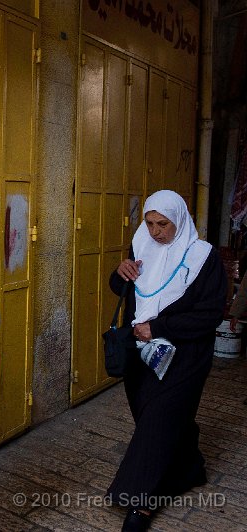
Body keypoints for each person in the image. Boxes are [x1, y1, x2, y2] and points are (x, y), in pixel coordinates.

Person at [108, 190, 226, 532]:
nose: (156, 231)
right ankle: (189, 467)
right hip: (140, 352)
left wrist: (157, 327)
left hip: (185, 355)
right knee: (158, 416)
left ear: (180, 220)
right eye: (150, 223)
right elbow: (124, 290)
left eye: (164, 224)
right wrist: (120, 273)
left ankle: (140, 502)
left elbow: (210, 313)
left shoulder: (203, 257)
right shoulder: (141, 244)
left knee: (156, 423)